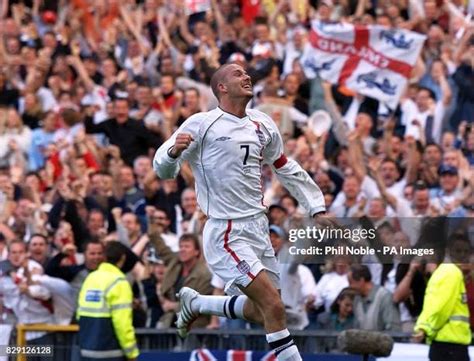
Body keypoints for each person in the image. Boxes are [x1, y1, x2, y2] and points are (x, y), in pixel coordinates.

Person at [154, 63, 326, 361]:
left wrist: (316, 206)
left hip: (258, 227)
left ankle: (198, 304)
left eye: (247, 73)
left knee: (266, 310)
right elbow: (162, 170)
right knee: (272, 305)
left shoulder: (263, 124)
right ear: (221, 87)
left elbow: (284, 167)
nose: (246, 77)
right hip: (226, 231)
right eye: (237, 74)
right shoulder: (200, 123)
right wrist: (171, 153)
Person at [77, 241, 139, 361]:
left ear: (104, 257)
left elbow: (80, 313)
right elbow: (122, 323)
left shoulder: (91, 278)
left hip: (86, 351)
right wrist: (132, 353)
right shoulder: (119, 282)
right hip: (111, 353)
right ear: (122, 258)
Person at [413, 235, 472, 361]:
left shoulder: (443, 274)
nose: (462, 255)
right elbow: (441, 308)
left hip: (445, 345)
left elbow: (434, 307)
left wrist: (424, 328)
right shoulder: (450, 272)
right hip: (451, 345)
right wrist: (428, 329)